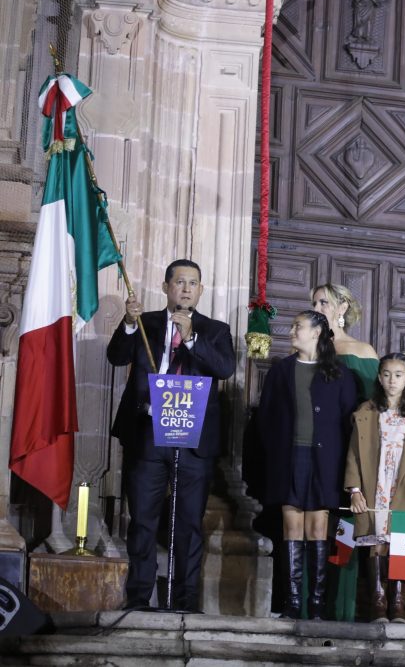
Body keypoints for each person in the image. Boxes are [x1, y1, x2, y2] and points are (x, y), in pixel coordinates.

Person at [107, 259, 236, 612]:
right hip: (149, 433)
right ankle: (138, 598)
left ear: (201, 290)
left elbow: (224, 368)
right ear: (166, 287)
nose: (186, 288)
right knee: (143, 520)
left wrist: (192, 338)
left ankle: (184, 600)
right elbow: (116, 356)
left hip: (192, 439)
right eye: (180, 282)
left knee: (189, 523)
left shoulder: (215, 330)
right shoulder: (146, 322)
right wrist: (130, 324)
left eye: (193, 283)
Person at [257, 310, 358, 619]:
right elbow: (266, 417)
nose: (291, 332)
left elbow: (348, 423)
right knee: (292, 525)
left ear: (316, 332)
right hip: (289, 458)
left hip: (325, 461)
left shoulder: (339, 373)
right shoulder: (281, 370)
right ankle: (291, 604)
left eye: (297, 327)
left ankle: (316, 606)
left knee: (317, 526)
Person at [346, 354, 405, 623]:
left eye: (398, 375)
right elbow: (353, 454)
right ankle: (377, 602)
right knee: (377, 542)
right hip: (377, 484)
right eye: (386, 374)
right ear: (379, 377)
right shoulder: (367, 412)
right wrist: (355, 490)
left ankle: (398, 603)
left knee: (400, 542)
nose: (392, 380)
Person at [311, 282, 379, 620]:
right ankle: (307, 607)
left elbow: (374, 408)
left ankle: (341, 612)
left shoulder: (362, 351)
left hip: (350, 455)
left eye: (324, 302)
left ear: (342, 308)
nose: (318, 307)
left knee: (345, 533)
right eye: (314, 303)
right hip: (314, 454)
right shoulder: (308, 350)